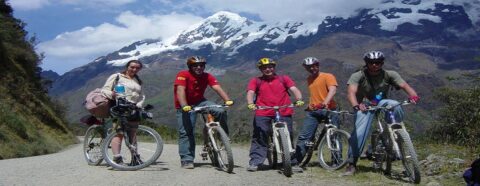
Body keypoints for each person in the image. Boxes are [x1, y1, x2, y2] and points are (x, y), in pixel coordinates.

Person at [343, 50, 419, 176]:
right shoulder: (358, 75)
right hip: (364, 104)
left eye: (377, 63)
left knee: (394, 104)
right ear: (366, 63)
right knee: (360, 131)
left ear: (382, 63)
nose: (374, 65)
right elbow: (351, 92)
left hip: (381, 102)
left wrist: (413, 96)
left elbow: (405, 86)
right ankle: (352, 163)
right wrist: (356, 105)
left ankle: (396, 130)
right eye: (371, 62)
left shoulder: (390, 74)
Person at [174, 56, 234, 169]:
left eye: (201, 65)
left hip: (200, 101)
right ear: (190, 67)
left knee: (220, 111)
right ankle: (187, 159)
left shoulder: (207, 76)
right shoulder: (183, 74)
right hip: (185, 104)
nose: (199, 67)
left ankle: (223, 136)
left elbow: (217, 87)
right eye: (195, 65)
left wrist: (227, 100)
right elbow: (180, 90)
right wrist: (184, 106)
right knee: (186, 132)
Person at [245, 57, 304, 172]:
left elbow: (294, 89)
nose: (268, 69)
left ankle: (291, 162)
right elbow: (250, 92)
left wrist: (299, 99)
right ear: (261, 70)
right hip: (263, 111)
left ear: (274, 67)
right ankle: (255, 162)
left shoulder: (284, 78)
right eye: (265, 68)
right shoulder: (256, 80)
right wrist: (250, 103)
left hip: (283, 110)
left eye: (270, 67)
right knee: (260, 135)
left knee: (288, 135)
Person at [290, 57, 339, 173]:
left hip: (329, 109)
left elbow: (332, 90)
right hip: (313, 111)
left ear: (318, 65)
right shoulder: (309, 79)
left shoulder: (328, 76)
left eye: (314, 65)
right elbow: (315, 94)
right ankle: (296, 161)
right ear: (306, 68)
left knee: (334, 136)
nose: (312, 68)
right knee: (304, 136)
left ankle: (337, 161)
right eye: (309, 67)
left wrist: (324, 103)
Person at [101, 59, 145, 164]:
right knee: (119, 133)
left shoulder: (137, 80)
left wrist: (139, 105)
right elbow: (104, 90)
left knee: (133, 134)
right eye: (132, 67)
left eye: (137, 68)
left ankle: (135, 158)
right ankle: (117, 158)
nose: (134, 69)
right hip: (119, 107)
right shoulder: (117, 77)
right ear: (127, 67)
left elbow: (141, 95)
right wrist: (113, 94)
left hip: (133, 108)